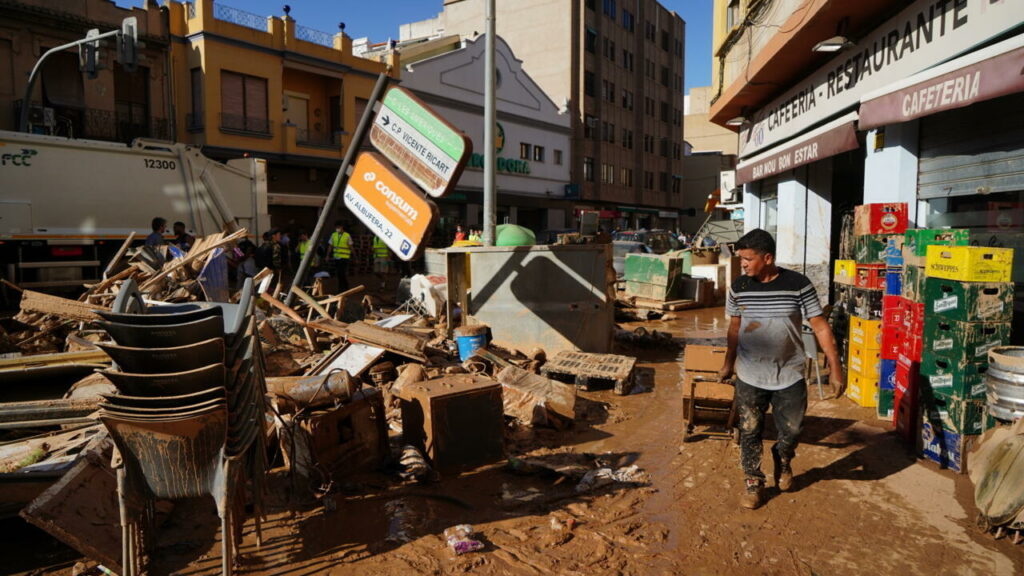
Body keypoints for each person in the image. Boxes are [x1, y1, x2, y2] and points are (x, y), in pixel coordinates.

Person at [718, 228, 844, 510]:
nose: (744, 265)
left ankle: (783, 457)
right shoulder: (739, 287)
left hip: (790, 373)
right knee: (749, 429)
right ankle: (753, 481)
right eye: (741, 259)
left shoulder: (798, 284)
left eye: (748, 259)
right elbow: (734, 327)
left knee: (793, 430)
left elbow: (820, 326)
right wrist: (728, 363)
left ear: (768, 258)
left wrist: (835, 367)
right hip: (750, 374)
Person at [328, 221, 352, 292]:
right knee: (339, 273)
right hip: (337, 258)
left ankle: (342, 288)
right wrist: (327, 255)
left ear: (342, 227)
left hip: (344, 258)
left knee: (341, 273)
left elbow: (351, 246)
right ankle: (345, 286)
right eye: (336, 228)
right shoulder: (333, 235)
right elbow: (330, 246)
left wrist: (355, 256)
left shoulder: (347, 235)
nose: (337, 229)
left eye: (338, 227)